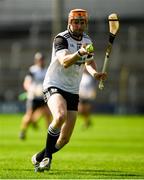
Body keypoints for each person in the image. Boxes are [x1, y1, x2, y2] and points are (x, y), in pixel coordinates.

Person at [31, 9, 107, 172]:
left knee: (64, 138)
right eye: (75, 22)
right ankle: (47, 159)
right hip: (54, 84)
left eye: (82, 22)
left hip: (73, 90)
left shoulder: (87, 39)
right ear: (69, 22)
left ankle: (38, 157)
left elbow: (89, 62)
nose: (79, 25)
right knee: (60, 116)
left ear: (85, 24)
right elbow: (65, 61)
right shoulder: (61, 39)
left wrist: (95, 74)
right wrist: (79, 52)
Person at [19, 52, 52, 140]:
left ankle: (50, 135)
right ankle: (23, 131)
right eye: (39, 60)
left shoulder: (47, 70)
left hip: (44, 96)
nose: (41, 61)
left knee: (48, 114)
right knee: (29, 115)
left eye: (42, 59)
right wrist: (30, 90)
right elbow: (26, 83)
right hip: (33, 97)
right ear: (36, 61)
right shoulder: (33, 70)